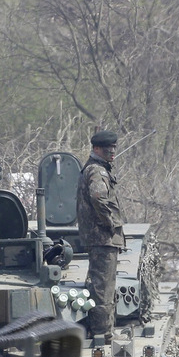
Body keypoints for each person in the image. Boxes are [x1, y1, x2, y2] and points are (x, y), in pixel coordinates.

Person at [76, 129, 125, 337]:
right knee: (103, 287)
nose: (112, 151)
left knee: (101, 284)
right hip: (102, 237)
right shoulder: (97, 171)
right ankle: (103, 332)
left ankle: (102, 329)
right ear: (96, 149)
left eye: (114, 148)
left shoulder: (94, 168)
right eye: (107, 148)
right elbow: (98, 197)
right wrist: (111, 222)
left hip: (99, 237)